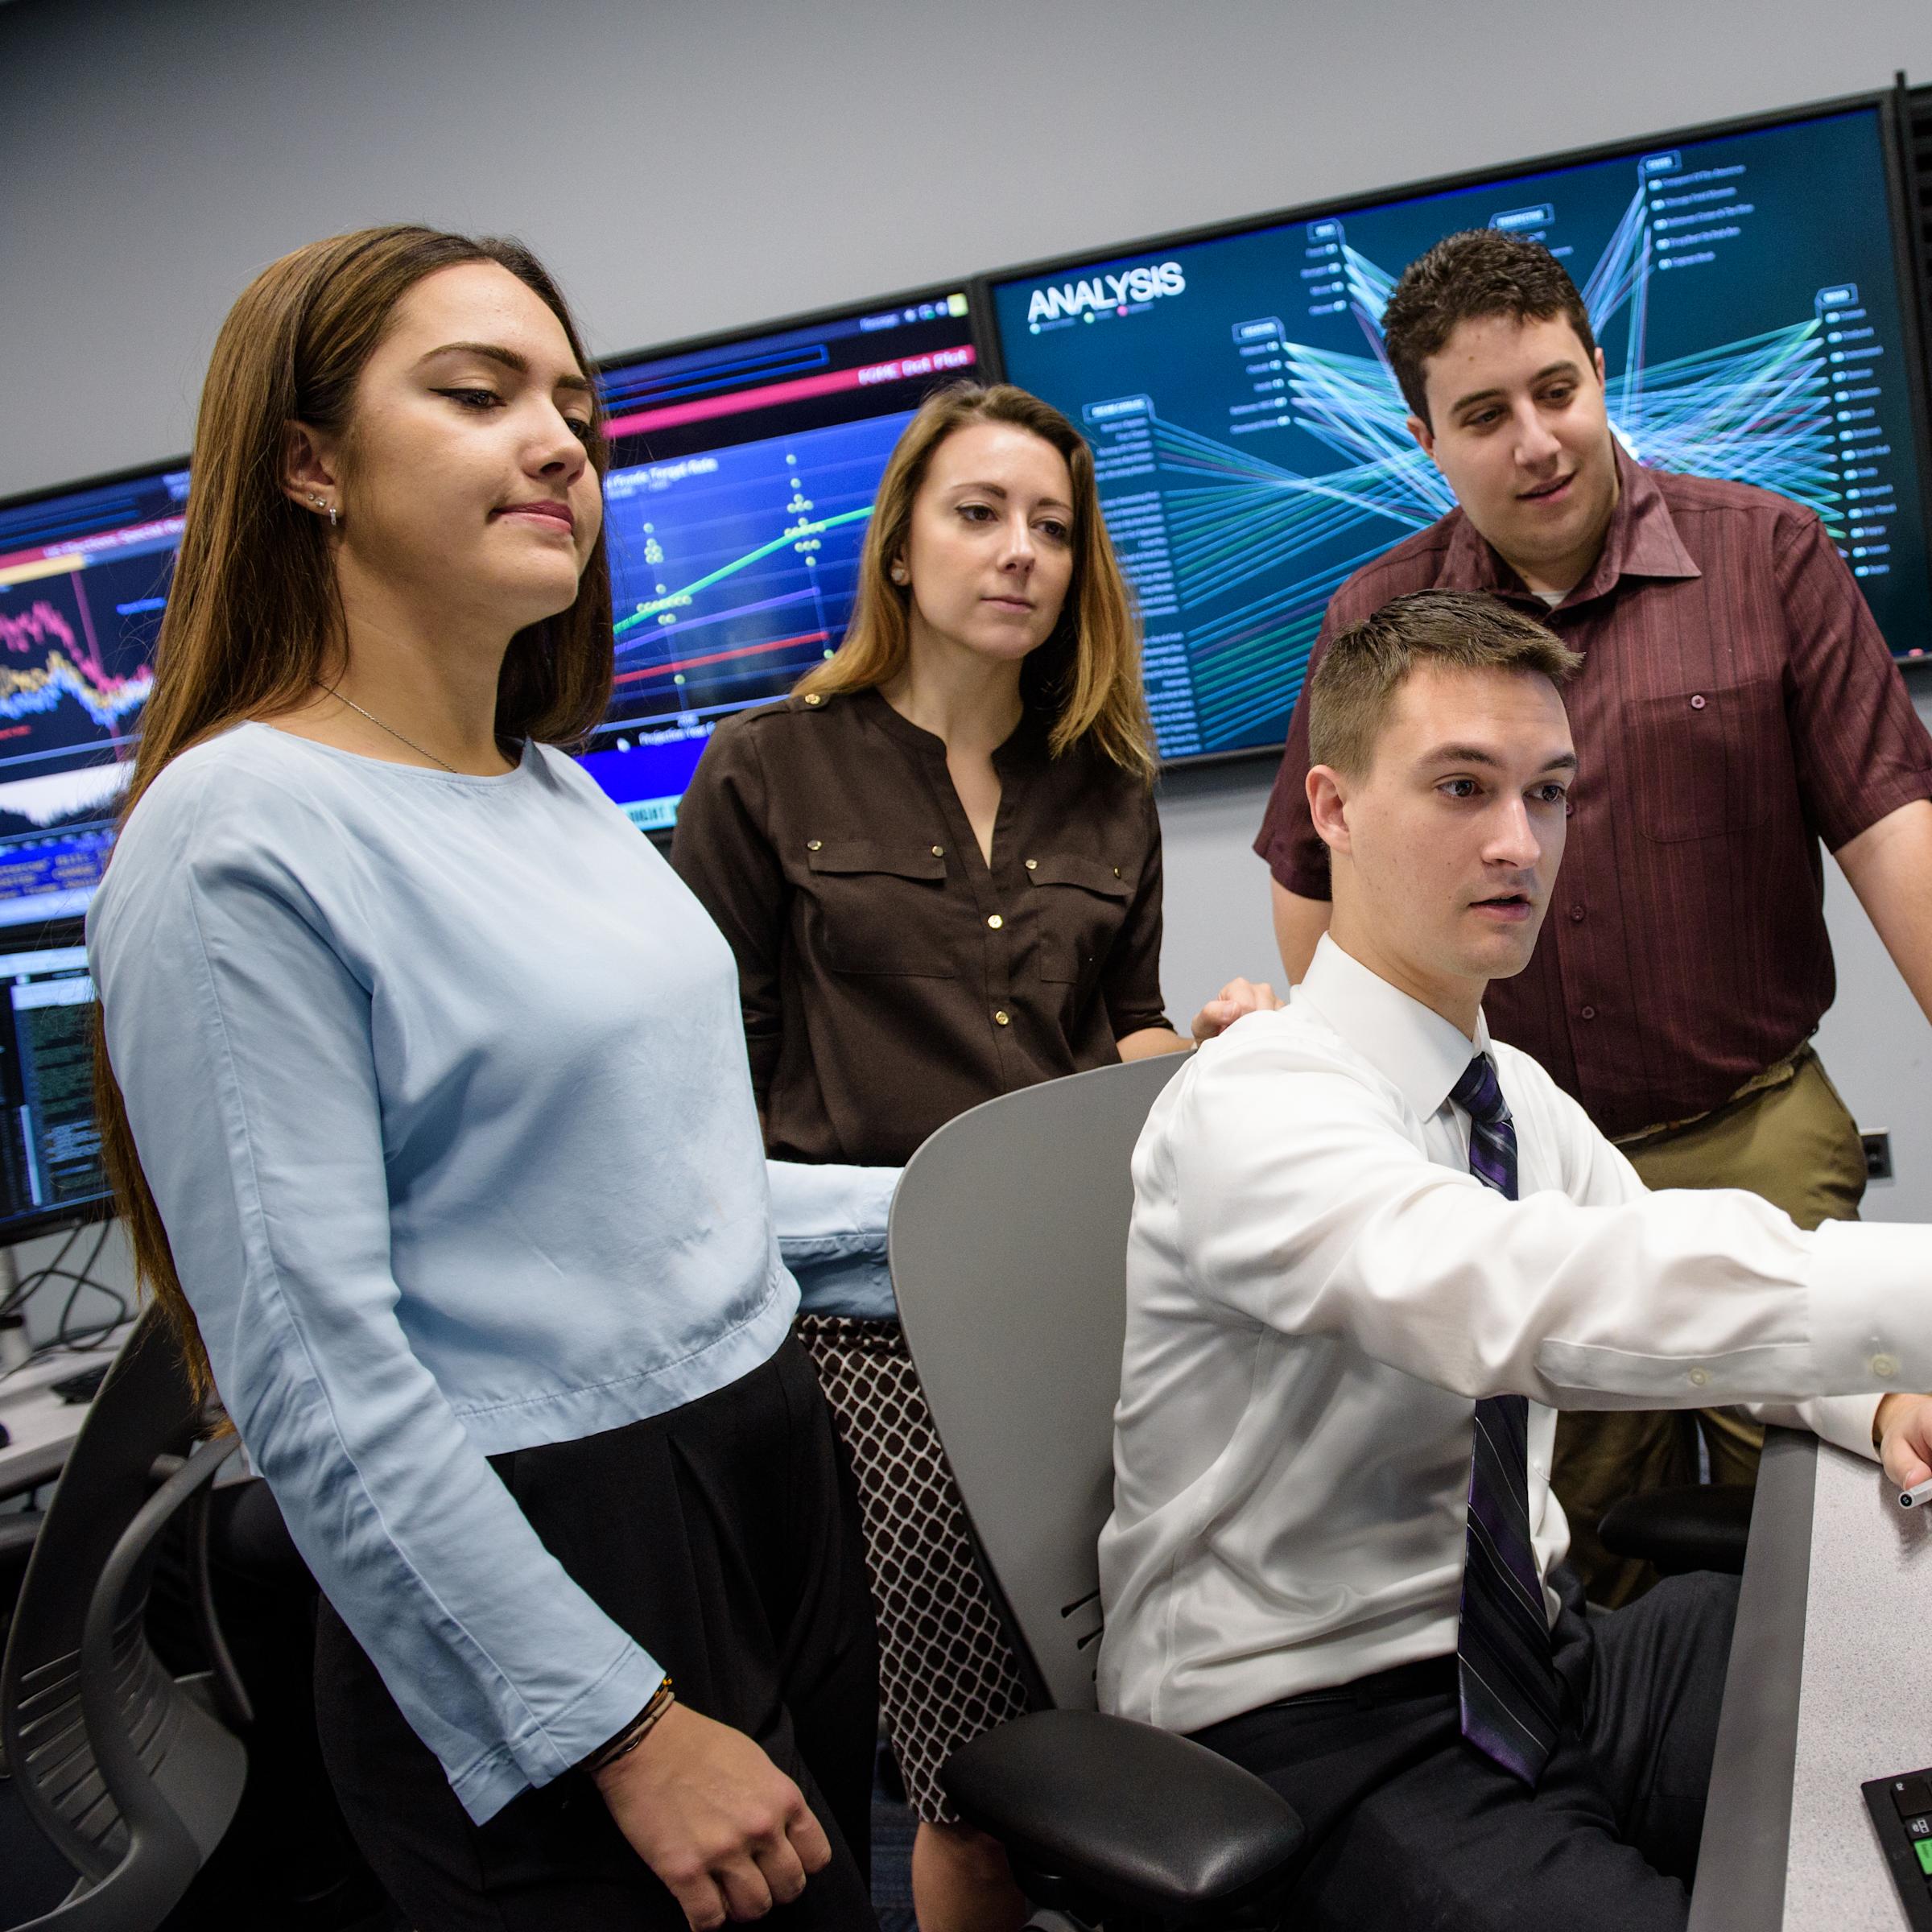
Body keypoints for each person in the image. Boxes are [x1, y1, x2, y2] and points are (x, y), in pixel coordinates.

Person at [88, 225, 880, 1932]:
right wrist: (616, 1724)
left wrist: (1051, 1196)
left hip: (762, 1472)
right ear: (307, 464)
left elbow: (670, 1196)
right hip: (550, 1548)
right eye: (477, 395)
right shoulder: (235, 835)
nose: (559, 446)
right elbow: (314, 1377)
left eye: (575, 412)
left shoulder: (556, 793)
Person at [1102, 587, 1932, 1929]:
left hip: (1545, 1659)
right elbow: (1525, 1300)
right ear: (1332, 809)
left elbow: (1661, 1274)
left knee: (1896, 1667)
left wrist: (1878, 1395)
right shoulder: (1254, 1104)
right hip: (1321, 1728)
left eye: (1548, 792)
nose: (1519, 842)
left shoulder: (1510, 1096)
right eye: (1462, 787)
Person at [1253, 229, 1932, 1604]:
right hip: (1523, 1184)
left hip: (1756, 1133)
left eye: (1556, 390)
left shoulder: (1768, 557)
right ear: (1425, 439)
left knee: (1838, 1535)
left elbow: (1897, 839)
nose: (1537, 441)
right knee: (1578, 1563)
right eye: (1484, 415)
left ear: (1600, 368)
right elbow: (1316, 892)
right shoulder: (1382, 620)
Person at [673, 380, 1271, 1932]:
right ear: (900, 546)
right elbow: (709, 1090)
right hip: (874, 1341)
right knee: (974, 1774)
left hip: (1080, 1306)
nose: (1020, 552)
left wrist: (1212, 1053)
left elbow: (1122, 1028)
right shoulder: (764, 770)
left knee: (1143, 1716)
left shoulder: (1108, 785)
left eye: (1053, 529)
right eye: (980, 514)